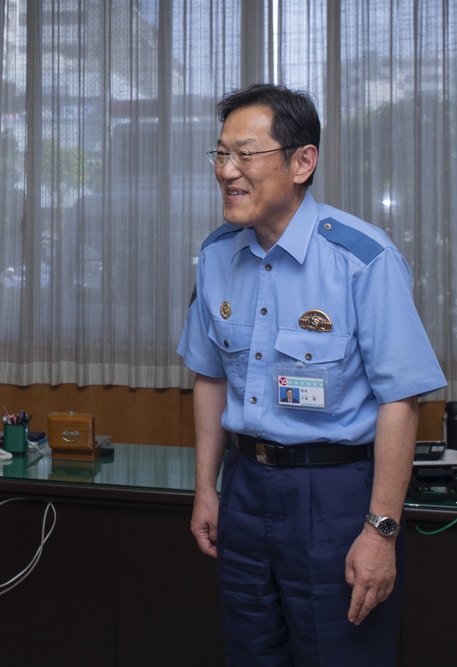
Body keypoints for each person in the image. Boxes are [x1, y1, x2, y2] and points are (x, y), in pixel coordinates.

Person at [177, 84, 446, 666]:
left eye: (246, 154)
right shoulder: (217, 255)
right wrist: (207, 488)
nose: (227, 172)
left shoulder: (362, 259)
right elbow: (210, 377)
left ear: (303, 162)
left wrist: (381, 530)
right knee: (251, 653)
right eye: (220, 155)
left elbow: (402, 399)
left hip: (336, 495)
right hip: (244, 487)